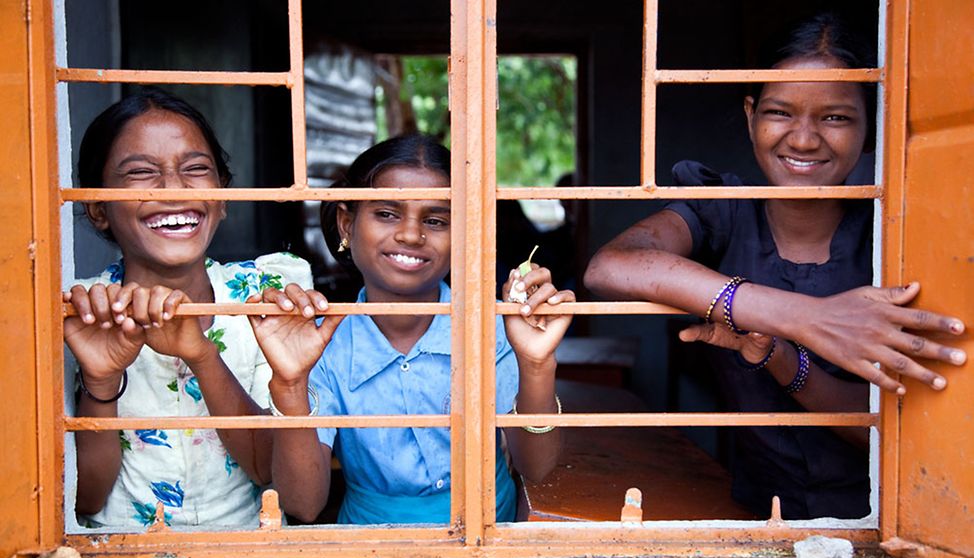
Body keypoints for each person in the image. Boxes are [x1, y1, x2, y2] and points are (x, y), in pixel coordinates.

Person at [584, 14, 967, 520]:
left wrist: (787, 360)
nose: (804, 139)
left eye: (835, 117)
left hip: (890, 521)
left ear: (872, 124)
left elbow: (907, 437)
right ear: (750, 115)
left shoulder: (899, 236)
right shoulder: (722, 209)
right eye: (780, 112)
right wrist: (804, 316)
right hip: (758, 515)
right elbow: (610, 267)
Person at [249, 134, 571, 524]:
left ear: (464, 237)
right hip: (370, 548)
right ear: (346, 223)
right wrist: (290, 383)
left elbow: (535, 470)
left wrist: (536, 364)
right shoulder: (321, 343)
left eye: (435, 220)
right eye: (387, 213)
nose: (411, 234)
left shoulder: (493, 328)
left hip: (488, 538)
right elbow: (303, 504)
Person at [64, 87, 312, 528]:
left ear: (222, 198)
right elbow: (82, 501)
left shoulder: (265, 296)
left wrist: (202, 354)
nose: (174, 189)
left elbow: (294, 495)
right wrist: (101, 381)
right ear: (98, 208)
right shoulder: (79, 313)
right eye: (141, 172)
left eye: (196, 169)